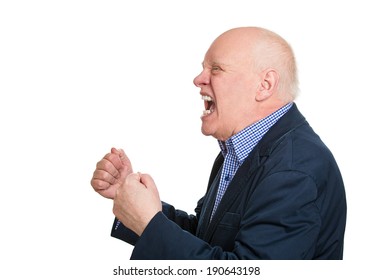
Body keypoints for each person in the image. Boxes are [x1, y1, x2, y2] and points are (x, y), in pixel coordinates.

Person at [90, 26, 347, 259]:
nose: (198, 79)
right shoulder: (238, 151)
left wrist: (149, 223)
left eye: (216, 68)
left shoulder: (294, 170)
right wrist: (131, 199)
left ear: (265, 85)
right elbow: (207, 238)